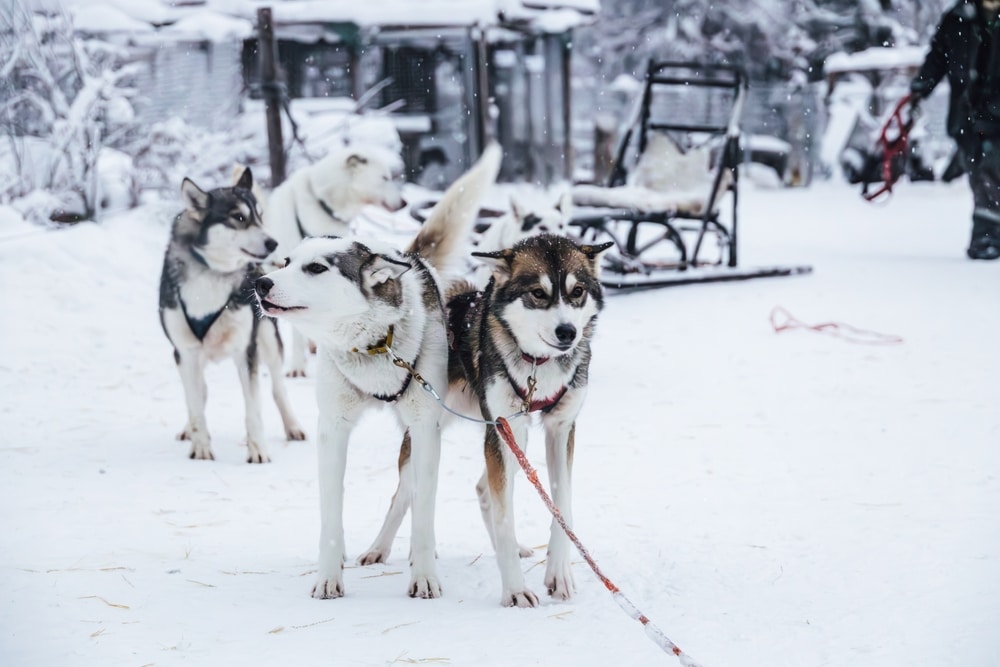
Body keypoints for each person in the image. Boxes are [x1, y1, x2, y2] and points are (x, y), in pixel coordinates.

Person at [911, 0, 1000, 260]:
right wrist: (920, 88)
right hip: (967, 116)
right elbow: (938, 55)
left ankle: (987, 238)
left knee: (992, 171)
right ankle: (988, 233)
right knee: (977, 173)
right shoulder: (957, 18)